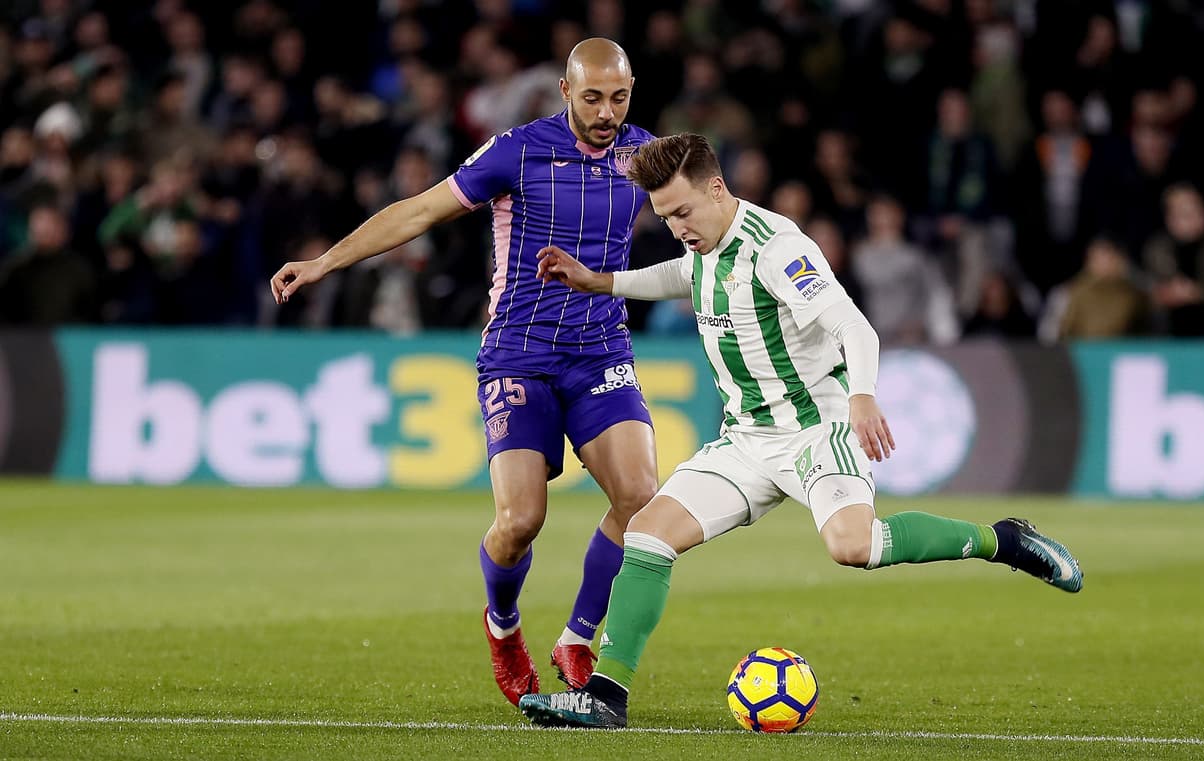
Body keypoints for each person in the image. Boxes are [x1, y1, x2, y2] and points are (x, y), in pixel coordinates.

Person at [519, 133, 1084, 729]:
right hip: (746, 439)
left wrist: (862, 396)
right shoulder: (703, 244)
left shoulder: (778, 249)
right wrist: (601, 281)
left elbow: (854, 327)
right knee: (648, 533)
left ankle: (1002, 540)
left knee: (853, 547)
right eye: (665, 218)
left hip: (816, 429)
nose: (678, 228)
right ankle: (606, 696)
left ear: (717, 189)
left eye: (683, 212)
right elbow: (683, 275)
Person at [269, 38, 659, 707]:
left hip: (602, 352)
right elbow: (421, 209)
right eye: (592, 97)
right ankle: (503, 626)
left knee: (640, 497)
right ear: (565, 91)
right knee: (520, 520)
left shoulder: (646, 154)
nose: (606, 112)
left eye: (618, 98)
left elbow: (712, 214)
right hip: (519, 354)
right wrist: (325, 262)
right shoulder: (518, 151)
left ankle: (577, 637)